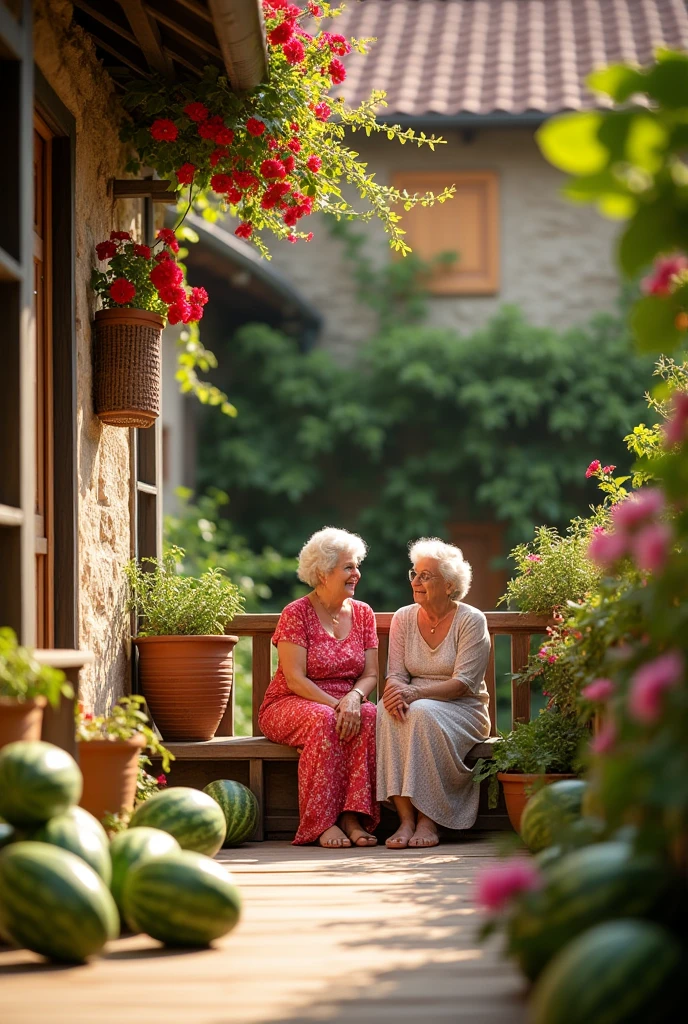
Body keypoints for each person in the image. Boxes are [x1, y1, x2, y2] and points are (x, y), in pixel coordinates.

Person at [258, 527, 380, 848]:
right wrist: (338, 705)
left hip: (344, 700)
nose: (357, 573)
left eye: (356, 566)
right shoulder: (296, 614)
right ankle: (321, 822)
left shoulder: (364, 614)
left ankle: (352, 816)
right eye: (348, 567)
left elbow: (371, 674)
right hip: (291, 701)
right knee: (324, 720)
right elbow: (295, 678)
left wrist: (354, 697)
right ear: (324, 573)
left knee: (371, 716)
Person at [377, 537, 491, 849]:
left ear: (451, 586)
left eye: (426, 576)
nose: (417, 581)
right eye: (414, 573)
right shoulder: (404, 617)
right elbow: (396, 674)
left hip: (464, 709)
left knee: (422, 712)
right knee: (383, 712)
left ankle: (430, 819)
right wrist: (393, 693)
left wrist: (412, 695)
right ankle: (406, 819)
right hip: (417, 704)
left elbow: (463, 684)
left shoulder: (471, 620)